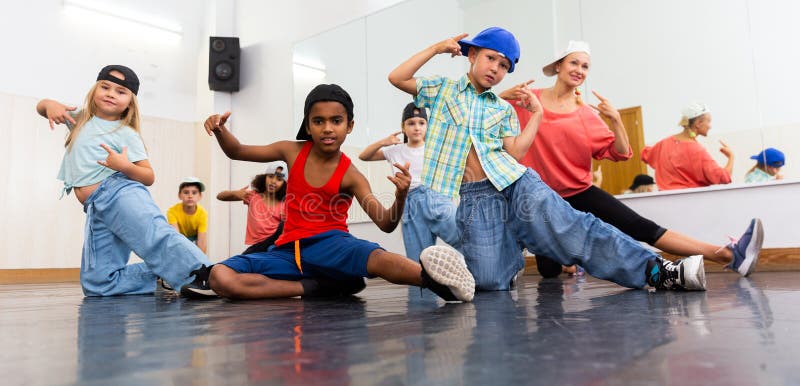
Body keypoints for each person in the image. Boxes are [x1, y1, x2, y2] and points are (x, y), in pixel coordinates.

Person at [388, 26, 709, 292]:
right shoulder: (443, 90)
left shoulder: (500, 109)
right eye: (490, 59)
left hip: (515, 183)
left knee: (575, 229)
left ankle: (659, 271)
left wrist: (537, 114)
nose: (495, 69)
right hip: (476, 199)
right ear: (471, 55)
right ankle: (505, 257)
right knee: (490, 282)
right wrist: (438, 47)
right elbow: (397, 77)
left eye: (503, 66)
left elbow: (514, 153)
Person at [501, 41, 762, 279]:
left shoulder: (586, 115)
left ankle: (727, 254)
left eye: (585, 66)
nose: (580, 70)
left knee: (641, 227)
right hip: (541, 197)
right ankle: (567, 264)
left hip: (580, 191)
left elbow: (621, 153)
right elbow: (486, 111)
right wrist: (503, 96)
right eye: (574, 63)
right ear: (558, 66)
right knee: (548, 270)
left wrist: (615, 120)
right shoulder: (530, 99)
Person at [196, 84, 476, 302]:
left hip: (333, 245)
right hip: (288, 250)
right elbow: (237, 151)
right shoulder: (291, 151)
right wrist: (220, 129)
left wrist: (401, 196)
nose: (327, 128)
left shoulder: (351, 175)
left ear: (349, 126)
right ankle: (313, 287)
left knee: (378, 258)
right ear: (308, 126)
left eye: (336, 121)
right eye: (318, 121)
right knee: (221, 276)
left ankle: (439, 282)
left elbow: (386, 224)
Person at [36, 65, 213, 297]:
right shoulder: (79, 119)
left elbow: (148, 176)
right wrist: (49, 104)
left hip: (120, 193)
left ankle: (208, 276)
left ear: (130, 102)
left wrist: (125, 166)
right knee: (98, 284)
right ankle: (160, 274)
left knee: (155, 236)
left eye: (121, 91)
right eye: (105, 87)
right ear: (94, 90)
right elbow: (41, 107)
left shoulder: (126, 133)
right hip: (97, 207)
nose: (111, 93)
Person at [358, 102, 461, 262]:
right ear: (403, 127)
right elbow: (364, 156)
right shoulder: (395, 150)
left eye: (421, 123)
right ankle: (422, 287)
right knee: (419, 260)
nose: (417, 127)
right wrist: (383, 142)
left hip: (436, 197)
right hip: (410, 204)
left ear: (428, 126)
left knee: (464, 236)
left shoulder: (434, 147)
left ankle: (487, 269)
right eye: (411, 123)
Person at [641, 102, 733, 190]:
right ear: (698, 123)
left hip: (665, 202)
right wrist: (731, 157)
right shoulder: (697, 150)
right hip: (690, 202)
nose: (710, 126)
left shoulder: (663, 144)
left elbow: (645, 154)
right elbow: (723, 178)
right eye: (708, 121)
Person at [217, 163, 287, 254]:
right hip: (257, 246)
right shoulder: (253, 196)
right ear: (264, 178)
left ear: (284, 184)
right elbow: (220, 196)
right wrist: (236, 193)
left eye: (279, 179)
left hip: (274, 245)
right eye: (270, 176)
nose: (273, 181)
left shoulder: (284, 204)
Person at [166, 177, 209, 254]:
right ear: (179, 195)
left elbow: (202, 241)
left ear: (200, 196)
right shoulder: (172, 211)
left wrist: (202, 261)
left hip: (194, 237)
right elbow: (176, 237)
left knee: (199, 256)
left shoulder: (202, 214)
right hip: (178, 237)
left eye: (194, 193)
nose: (190, 196)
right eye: (186, 192)